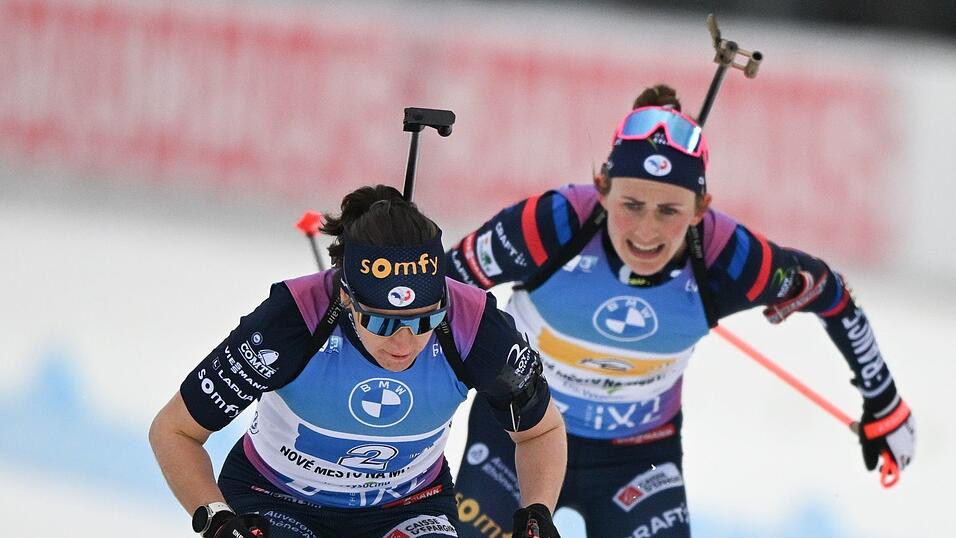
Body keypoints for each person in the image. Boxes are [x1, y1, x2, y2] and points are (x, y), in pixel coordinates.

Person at [446, 85, 915, 537]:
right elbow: (441, 289)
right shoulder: (554, 222)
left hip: (634, 460)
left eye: (670, 210)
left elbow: (830, 293)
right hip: (518, 436)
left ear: (700, 208)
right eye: (631, 204)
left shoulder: (728, 257)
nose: (647, 231)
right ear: (603, 189)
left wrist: (884, 401)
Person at [149, 185, 567, 538]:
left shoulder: (474, 324)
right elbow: (175, 431)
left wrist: (538, 511)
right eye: (383, 323)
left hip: (408, 505)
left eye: (426, 319)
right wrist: (215, 517)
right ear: (347, 297)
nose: (405, 342)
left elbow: (540, 429)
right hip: (276, 499)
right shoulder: (295, 319)